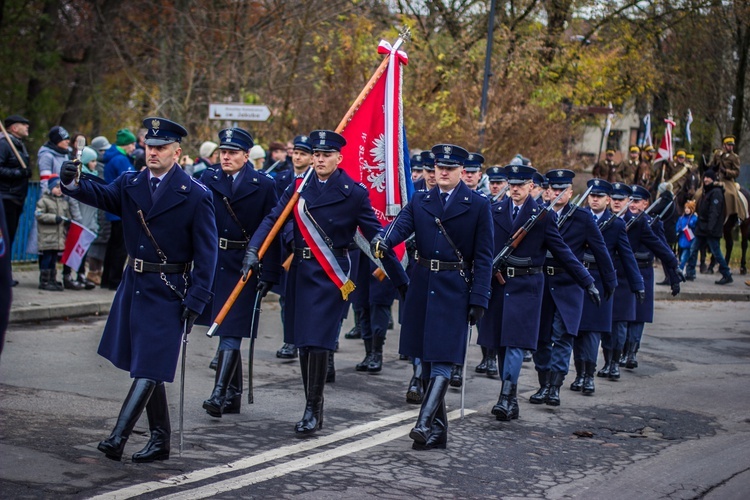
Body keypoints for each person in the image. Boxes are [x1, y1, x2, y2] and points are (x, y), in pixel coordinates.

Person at [60, 117, 218, 463]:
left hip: (171, 288)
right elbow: (101, 195)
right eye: (149, 146)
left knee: (150, 366)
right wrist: (73, 180)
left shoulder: (195, 194)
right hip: (136, 286)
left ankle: (118, 437)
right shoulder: (131, 181)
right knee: (151, 364)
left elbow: (208, 254)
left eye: (161, 148)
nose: (153, 152)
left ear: (177, 152)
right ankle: (160, 439)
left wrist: (198, 297)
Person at [244, 130, 407, 437]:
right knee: (304, 342)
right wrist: (254, 250)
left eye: (325, 155)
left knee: (318, 341)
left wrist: (399, 277)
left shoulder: (354, 192)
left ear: (338, 158)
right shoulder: (298, 187)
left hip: (332, 276)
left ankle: (311, 409)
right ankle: (313, 406)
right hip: (301, 272)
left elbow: (373, 236)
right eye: (316, 155)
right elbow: (273, 219)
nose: (319, 160)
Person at [372, 143, 491, 449]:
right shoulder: (421, 198)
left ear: (461, 172)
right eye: (439, 168)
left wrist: (479, 299)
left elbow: (484, 257)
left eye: (450, 169)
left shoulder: (477, 204)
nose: (443, 173)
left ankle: (423, 422)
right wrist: (384, 240)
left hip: (455, 287)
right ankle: (438, 431)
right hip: (422, 284)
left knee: (443, 359)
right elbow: (401, 228)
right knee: (425, 359)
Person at [476, 164, 596, 422]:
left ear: (532, 186)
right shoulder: (494, 209)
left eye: (521, 185)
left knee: (516, 344)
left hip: (526, 287)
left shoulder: (542, 216)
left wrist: (587, 281)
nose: (515, 189)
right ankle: (507, 394)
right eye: (512, 184)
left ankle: (506, 398)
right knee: (498, 344)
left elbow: (564, 253)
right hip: (498, 287)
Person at [197, 127, 280, 418]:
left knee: (230, 327)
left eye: (232, 153)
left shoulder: (264, 185)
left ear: (247, 156)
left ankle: (218, 394)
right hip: (215, 260)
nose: (226, 157)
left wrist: (268, 271)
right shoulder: (208, 178)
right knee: (224, 326)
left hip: (246, 262)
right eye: (223, 152)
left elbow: (273, 228)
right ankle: (234, 394)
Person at [530, 169, 614, 407]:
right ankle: (543, 383)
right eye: (553, 189)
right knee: (540, 338)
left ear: (570, 192)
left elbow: (600, 250)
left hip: (569, 284)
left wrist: (608, 282)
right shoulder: (537, 214)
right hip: (541, 283)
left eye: (561, 190)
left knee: (563, 335)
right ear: (547, 191)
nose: (556, 193)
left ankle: (555, 387)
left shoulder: (582, 218)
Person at [571, 179, 644, 395]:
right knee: (577, 331)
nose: (594, 199)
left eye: (600, 196)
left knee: (593, 331)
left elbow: (627, 256)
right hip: (579, 279)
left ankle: (589, 376)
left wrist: (637, 284)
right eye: (592, 195)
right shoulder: (579, 218)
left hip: (601, 280)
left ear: (608, 200)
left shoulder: (616, 224)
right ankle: (578, 374)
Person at [613, 185, 681, 375]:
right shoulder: (619, 221)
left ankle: (632, 353)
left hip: (644, 271)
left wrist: (673, 276)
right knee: (624, 314)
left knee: (640, 315)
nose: (633, 205)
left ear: (645, 203)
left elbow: (663, 248)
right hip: (625, 271)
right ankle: (621, 352)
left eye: (637, 201)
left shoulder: (651, 223)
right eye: (631, 200)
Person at [273, 134, 314, 359]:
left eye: (303, 154)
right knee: (286, 297)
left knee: (310, 298)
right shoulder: (281, 179)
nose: (297, 157)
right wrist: (290, 237)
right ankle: (290, 340)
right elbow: (279, 214)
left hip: (311, 245)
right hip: (287, 246)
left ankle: (310, 341)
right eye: (296, 153)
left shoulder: (315, 180)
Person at [100, 129, 137, 290]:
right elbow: (129, 182)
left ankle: (106, 279)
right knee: (120, 247)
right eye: (132, 143)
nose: (134, 147)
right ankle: (114, 280)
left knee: (112, 245)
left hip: (114, 208)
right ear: (126, 145)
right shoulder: (121, 160)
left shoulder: (115, 158)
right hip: (121, 209)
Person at [0, 114, 32, 286]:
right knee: (3, 239)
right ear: (13, 128)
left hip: (16, 198)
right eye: (23, 124)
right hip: (6, 197)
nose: (27, 127)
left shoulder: (19, 146)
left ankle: (5, 274)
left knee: (10, 238)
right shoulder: (4, 144)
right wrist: (19, 173)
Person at [685, 170, 732, 284]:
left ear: (713, 179)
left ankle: (726, 274)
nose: (706, 179)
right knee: (693, 249)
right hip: (701, 228)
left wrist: (710, 228)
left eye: (708, 178)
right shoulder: (706, 192)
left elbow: (714, 213)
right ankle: (690, 272)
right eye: (705, 177)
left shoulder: (716, 192)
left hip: (710, 229)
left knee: (716, 252)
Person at [65, 146, 100, 290]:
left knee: (84, 249)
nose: (95, 164)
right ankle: (67, 276)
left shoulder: (94, 175)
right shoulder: (79, 176)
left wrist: (94, 222)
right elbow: (72, 198)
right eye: (92, 161)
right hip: (79, 219)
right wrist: (77, 218)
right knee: (72, 248)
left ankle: (80, 275)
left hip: (89, 219)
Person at [35, 175, 70, 291]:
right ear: (50, 188)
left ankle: (52, 280)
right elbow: (39, 215)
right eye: (56, 187)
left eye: (61, 187)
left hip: (58, 237)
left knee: (54, 259)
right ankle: (44, 281)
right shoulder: (44, 201)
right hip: (47, 237)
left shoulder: (63, 202)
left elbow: (66, 216)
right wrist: (54, 218)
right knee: (47, 259)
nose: (59, 189)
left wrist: (68, 221)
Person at [709, 135, 745, 222]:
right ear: (724, 145)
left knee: (731, 194)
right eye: (729, 145)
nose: (731, 147)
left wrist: (726, 171)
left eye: (732, 145)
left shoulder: (734, 157)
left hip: (727, 180)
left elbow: (736, 172)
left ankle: (736, 216)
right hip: (716, 179)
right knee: (699, 192)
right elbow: (712, 165)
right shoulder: (717, 154)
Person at [38, 126, 71, 191]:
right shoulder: (46, 156)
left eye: (68, 139)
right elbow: (45, 181)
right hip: (52, 197)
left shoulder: (65, 155)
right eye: (65, 139)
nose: (68, 141)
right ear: (57, 140)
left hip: (64, 196)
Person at [676, 200, 697, 274]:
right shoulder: (681, 218)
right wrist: (678, 229)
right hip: (682, 239)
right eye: (686, 208)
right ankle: (684, 269)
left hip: (689, 240)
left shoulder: (694, 219)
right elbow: (678, 226)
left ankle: (680, 269)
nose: (686, 210)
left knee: (684, 257)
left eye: (688, 208)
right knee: (682, 255)